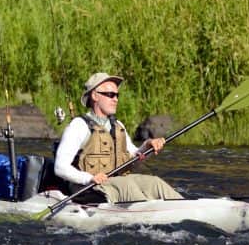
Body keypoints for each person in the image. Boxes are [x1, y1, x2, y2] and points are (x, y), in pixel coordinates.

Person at [53, 72, 184, 203]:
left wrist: (147, 146)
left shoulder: (118, 125)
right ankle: (147, 214)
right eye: (110, 95)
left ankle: (184, 206)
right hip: (88, 189)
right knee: (126, 186)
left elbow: (134, 157)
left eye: (117, 95)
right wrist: (89, 179)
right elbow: (60, 167)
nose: (115, 99)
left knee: (154, 182)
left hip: (117, 183)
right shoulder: (79, 126)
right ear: (94, 96)